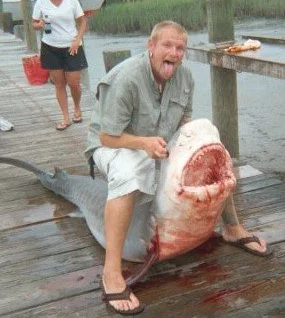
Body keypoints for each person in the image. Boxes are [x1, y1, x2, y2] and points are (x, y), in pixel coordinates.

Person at [85, 20, 272, 315]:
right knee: (132, 170)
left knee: (212, 144)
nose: (174, 52)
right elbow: (106, 136)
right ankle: (111, 272)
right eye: (167, 45)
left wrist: (198, 147)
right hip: (114, 145)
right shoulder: (126, 78)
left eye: (180, 47)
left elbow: (184, 123)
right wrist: (145, 144)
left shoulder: (184, 77)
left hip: (156, 141)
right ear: (151, 46)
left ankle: (233, 228)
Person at [32, 0, 88, 131]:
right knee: (59, 83)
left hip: (71, 46)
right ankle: (65, 117)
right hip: (50, 46)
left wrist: (78, 39)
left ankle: (77, 108)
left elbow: (83, 22)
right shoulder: (41, 2)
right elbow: (34, 23)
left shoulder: (71, 0)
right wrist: (39, 24)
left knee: (74, 82)